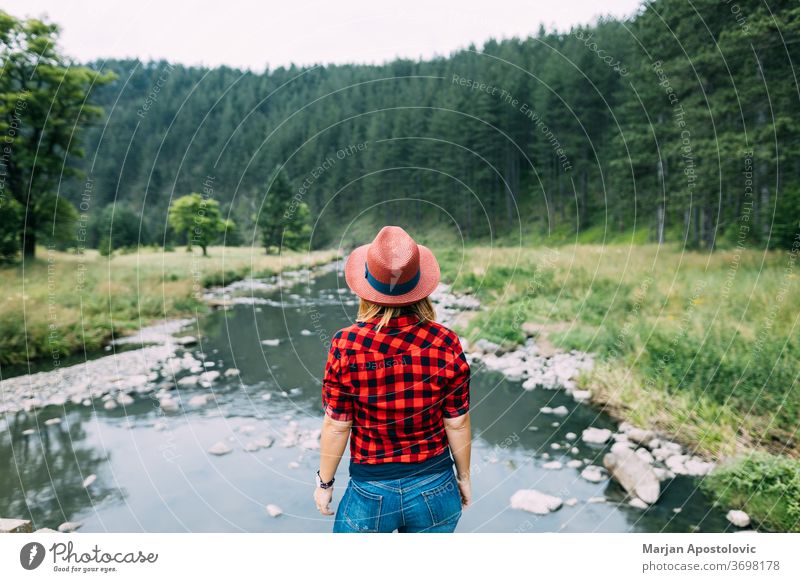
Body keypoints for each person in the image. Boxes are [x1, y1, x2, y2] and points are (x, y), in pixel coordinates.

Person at [313, 225, 472, 533]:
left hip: (369, 490)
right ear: (419, 285)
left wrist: (325, 482)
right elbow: (457, 422)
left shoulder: (347, 344)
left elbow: (337, 423)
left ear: (366, 287)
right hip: (435, 485)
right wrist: (463, 478)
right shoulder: (445, 341)